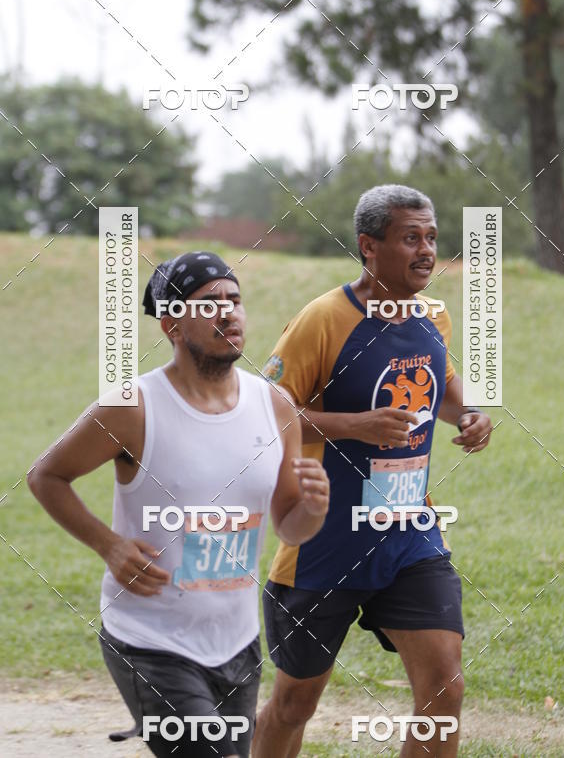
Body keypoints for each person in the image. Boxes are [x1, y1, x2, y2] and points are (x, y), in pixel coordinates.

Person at [28, 251, 329, 758]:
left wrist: (314, 510)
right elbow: (46, 476)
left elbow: (289, 527)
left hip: (237, 642)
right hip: (149, 639)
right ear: (171, 323)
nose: (230, 312)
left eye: (235, 299)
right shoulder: (131, 407)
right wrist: (110, 546)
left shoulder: (275, 406)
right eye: (211, 303)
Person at [255, 186, 493, 758]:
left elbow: (441, 384)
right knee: (294, 703)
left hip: (410, 536)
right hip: (323, 545)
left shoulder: (433, 315)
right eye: (411, 237)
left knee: (444, 690)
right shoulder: (323, 320)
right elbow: (263, 417)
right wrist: (355, 426)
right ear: (369, 246)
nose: (427, 251)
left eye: (432, 237)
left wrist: (469, 415)